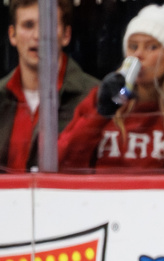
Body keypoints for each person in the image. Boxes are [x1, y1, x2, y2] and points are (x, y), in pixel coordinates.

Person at [57, 2, 164, 173]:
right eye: (133, 46)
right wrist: (100, 114)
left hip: (157, 199)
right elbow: (64, 163)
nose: (138, 54)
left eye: (151, 46)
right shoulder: (103, 98)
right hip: (98, 198)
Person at [0, 0, 97, 172]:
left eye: (48, 25)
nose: (38, 35)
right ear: (12, 35)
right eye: (28, 25)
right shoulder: (1, 95)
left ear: (66, 35)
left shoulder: (94, 97)